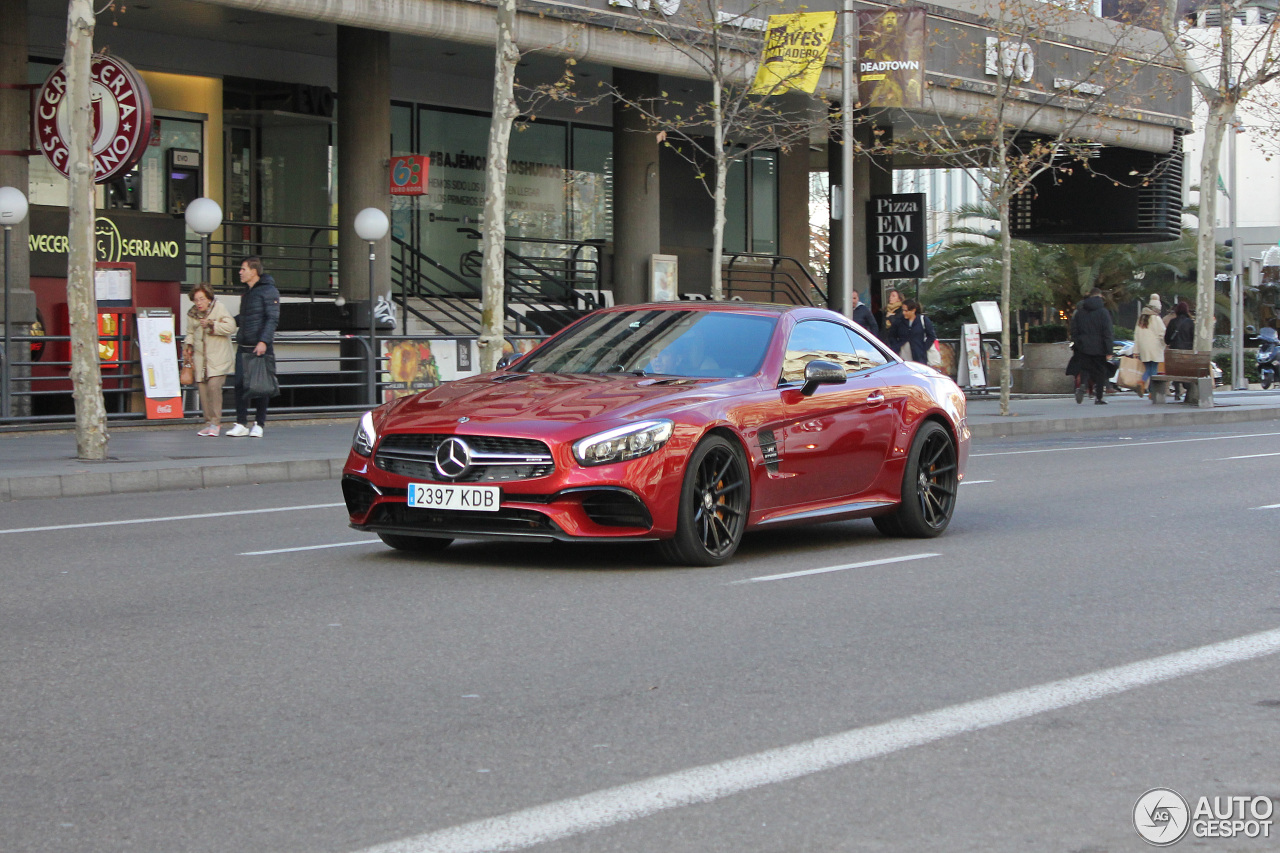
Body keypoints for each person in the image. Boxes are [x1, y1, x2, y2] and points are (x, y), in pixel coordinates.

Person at [227, 256, 280, 438]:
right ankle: (241, 423)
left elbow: (272, 318)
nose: (240, 272)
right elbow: (244, 317)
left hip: (260, 346)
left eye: (243, 269)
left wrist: (264, 341)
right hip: (244, 344)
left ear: (254, 271)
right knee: (240, 384)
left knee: (260, 385)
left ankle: (259, 423)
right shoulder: (248, 292)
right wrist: (226, 322)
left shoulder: (269, 291)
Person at [184, 283, 237, 436]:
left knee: (214, 388)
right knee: (203, 390)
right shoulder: (192, 313)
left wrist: (212, 324)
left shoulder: (218, 308)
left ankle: (216, 422)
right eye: (196, 300)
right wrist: (188, 344)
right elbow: (189, 332)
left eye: (201, 299)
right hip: (200, 358)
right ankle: (208, 422)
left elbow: (231, 327)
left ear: (208, 298)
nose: (199, 303)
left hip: (218, 358)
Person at [1068, 287, 1113, 405]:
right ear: (1100, 296)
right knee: (1100, 371)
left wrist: (1078, 342)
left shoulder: (1080, 312)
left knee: (1085, 368)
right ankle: (1099, 397)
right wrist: (1109, 349)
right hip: (1100, 346)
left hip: (1083, 346)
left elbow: (1073, 329)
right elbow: (1107, 331)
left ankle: (1083, 385)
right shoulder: (1103, 312)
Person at [886, 298, 937, 363]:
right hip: (903, 353)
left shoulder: (923, 320)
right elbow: (892, 335)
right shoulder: (899, 321)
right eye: (903, 310)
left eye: (906, 311)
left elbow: (931, 336)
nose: (904, 313)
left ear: (913, 310)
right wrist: (896, 346)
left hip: (919, 355)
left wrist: (923, 348)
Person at [1163, 299, 1194, 402]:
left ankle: (1176, 392)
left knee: (1175, 371)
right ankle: (1187, 390)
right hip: (1187, 351)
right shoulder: (1190, 322)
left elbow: (1167, 339)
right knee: (1186, 371)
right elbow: (1193, 337)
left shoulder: (1172, 322)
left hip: (1174, 350)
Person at [1132, 305, 1165, 398]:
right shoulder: (1156, 319)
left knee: (1148, 369)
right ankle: (1152, 391)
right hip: (1155, 347)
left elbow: (1136, 336)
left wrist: (1136, 351)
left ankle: (1142, 382)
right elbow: (1162, 333)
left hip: (1143, 348)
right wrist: (1164, 344)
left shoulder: (1140, 320)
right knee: (1154, 369)